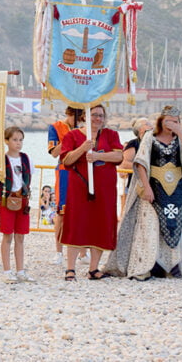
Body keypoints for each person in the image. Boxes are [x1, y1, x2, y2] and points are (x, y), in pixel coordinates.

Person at [105, 105, 182, 280]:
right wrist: (146, 187)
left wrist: (181, 132)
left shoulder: (180, 140)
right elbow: (140, 163)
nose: (172, 124)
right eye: (169, 121)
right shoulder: (150, 138)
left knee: (175, 226)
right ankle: (143, 265)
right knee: (149, 227)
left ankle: (172, 265)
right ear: (161, 121)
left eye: (176, 121)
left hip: (178, 189)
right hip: (154, 188)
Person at [59, 105, 123, 281]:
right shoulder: (72, 136)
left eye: (101, 115)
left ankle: (93, 269)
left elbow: (119, 157)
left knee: (100, 225)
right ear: (85, 116)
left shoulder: (111, 135)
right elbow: (66, 160)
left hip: (105, 189)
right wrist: (83, 149)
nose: (98, 119)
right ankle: (70, 268)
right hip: (79, 188)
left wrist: (97, 156)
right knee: (76, 224)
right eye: (94, 115)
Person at [0, 127, 36, 283]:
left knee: (20, 237)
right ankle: (7, 271)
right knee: (7, 236)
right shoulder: (1, 161)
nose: (18, 143)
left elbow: (30, 176)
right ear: (6, 141)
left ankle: (20, 271)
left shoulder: (26, 159)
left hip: (23, 200)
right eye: (15, 140)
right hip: (7, 200)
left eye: (20, 140)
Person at [47, 106, 83, 265]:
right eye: (76, 117)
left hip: (81, 171)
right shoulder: (55, 127)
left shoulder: (84, 128)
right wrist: (69, 137)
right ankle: (59, 252)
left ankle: (83, 252)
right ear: (68, 114)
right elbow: (54, 152)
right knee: (61, 212)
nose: (78, 121)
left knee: (83, 211)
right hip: (64, 171)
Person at [118, 117, 153, 218]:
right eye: (148, 124)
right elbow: (125, 163)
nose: (152, 126)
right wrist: (143, 168)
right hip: (136, 184)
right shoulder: (134, 143)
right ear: (140, 129)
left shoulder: (155, 142)